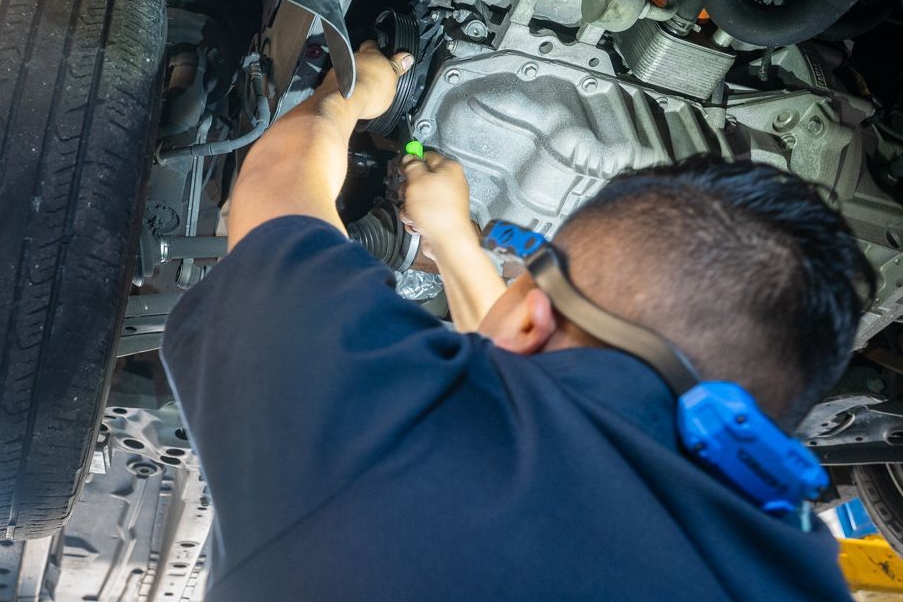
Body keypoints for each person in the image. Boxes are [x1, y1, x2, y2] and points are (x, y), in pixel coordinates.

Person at [161, 42, 875, 600]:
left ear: (533, 319)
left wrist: (348, 93)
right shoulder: (801, 570)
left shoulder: (378, 448)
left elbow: (276, 188)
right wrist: (449, 239)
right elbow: (522, 400)